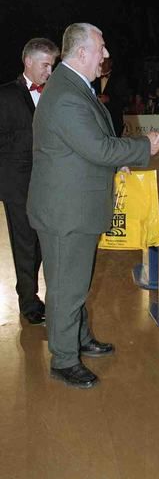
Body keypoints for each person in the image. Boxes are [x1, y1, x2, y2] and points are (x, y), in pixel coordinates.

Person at [27, 23, 159, 389]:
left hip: (74, 206)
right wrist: (144, 146)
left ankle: (79, 337)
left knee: (74, 282)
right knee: (66, 288)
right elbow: (98, 147)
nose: (106, 55)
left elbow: (89, 144)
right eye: (100, 48)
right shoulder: (67, 94)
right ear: (81, 53)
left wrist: (116, 161)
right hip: (65, 212)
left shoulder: (73, 86)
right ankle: (64, 359)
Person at [0, 37, 59, 325]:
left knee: (40, 241)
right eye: (45, 65)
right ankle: (28, 301)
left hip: (49, 182)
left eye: (52, 65)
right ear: (28, 62)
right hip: (17, 183)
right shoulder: (5, 95)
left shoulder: (55, 93)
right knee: (24, 242)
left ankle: (30, 291)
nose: (50, 71)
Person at [93, 56, 128, 137]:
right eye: (101, 62)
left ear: (111, 63)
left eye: (105, 62)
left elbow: (125, 100)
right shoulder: (94, 78)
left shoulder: (119, 79)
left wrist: (109, 99)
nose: (102, 64)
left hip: (114, 120)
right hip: (97, 122)